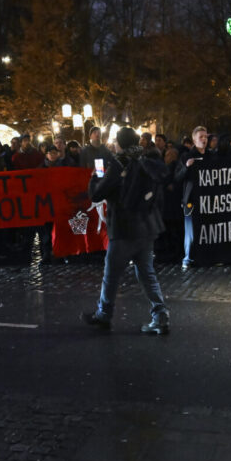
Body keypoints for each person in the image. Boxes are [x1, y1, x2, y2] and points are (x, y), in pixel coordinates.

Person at [82, 126, 171, 334]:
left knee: (111, 274)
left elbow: (97, 194)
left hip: (124, 228)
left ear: (121, 143)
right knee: (147, 273)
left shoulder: (119, 163)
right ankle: (160, 314)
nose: (114, 144)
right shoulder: (144, 159)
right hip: (146, 227)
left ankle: (104, 314)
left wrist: (95, 178)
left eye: (116, 141)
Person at [176, 126, 217, 270]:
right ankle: (188, 258)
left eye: (206, 137)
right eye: (201, 137)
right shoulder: (186, 156)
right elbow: (177, 177)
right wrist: (186, 167)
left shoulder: (212, 156)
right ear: (194, 140)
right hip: (192, 199)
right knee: (191, 231)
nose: (204, 139)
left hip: (209, 199)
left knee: (209, 229)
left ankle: (207, 256)